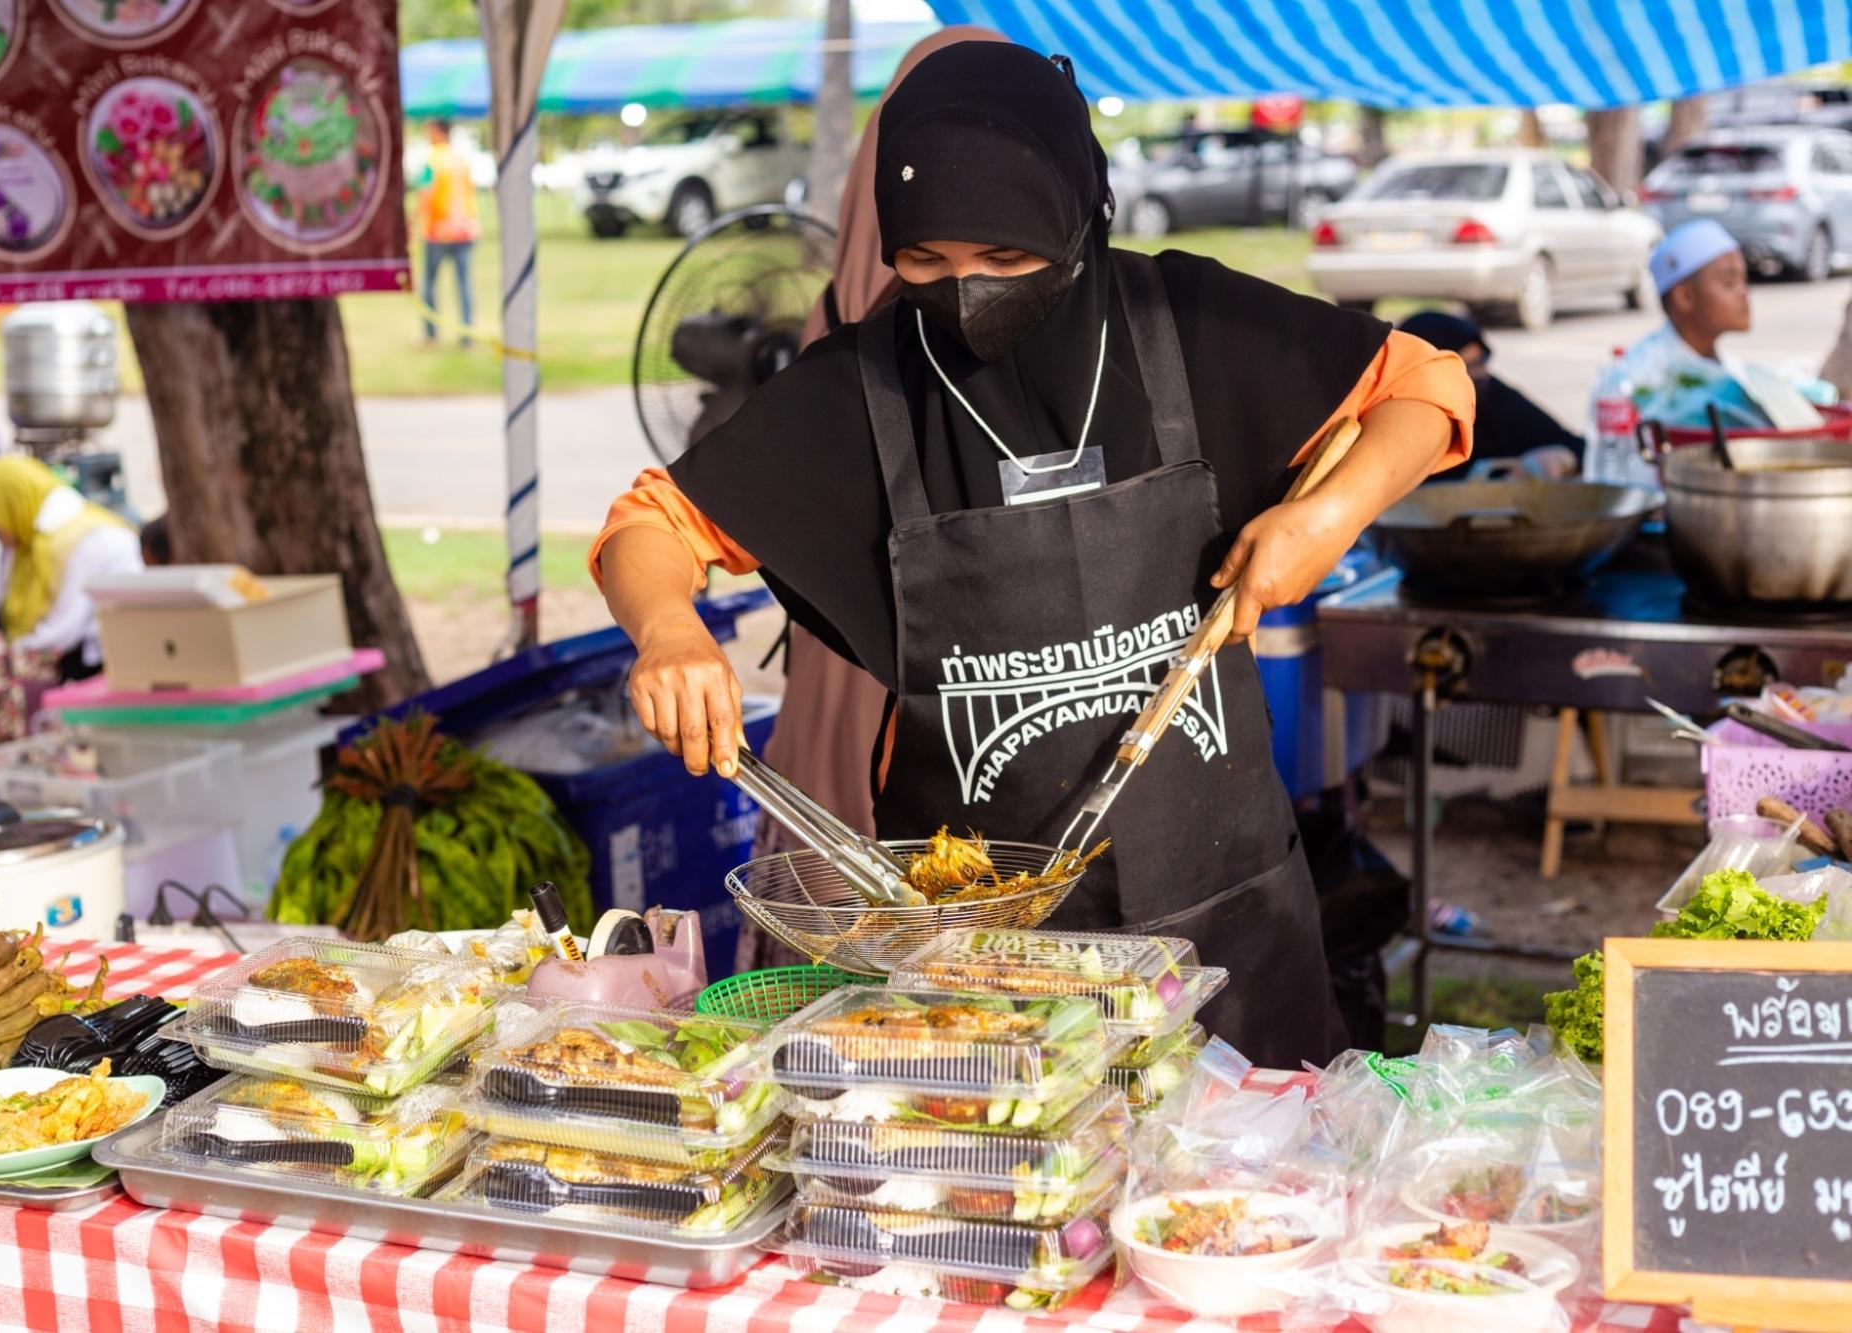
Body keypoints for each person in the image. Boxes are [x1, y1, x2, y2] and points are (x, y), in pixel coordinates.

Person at [590, 44, 1474, 1068]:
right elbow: (650, 522)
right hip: (978, 958)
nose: (965, 295)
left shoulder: (1182, 319)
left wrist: (1326, 517)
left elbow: (1425, 384)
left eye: (1005, 261)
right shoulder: (865, 386)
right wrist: (665, 630)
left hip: (1227, 918)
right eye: (925, 264)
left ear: (1076, 213)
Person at [737, 23, 1006, 973]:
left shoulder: (833, 316)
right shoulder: (964, 315)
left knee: (843, 921)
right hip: (930, 674)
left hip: (840, 664)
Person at [0, 455, 143, 682]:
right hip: (49, 655)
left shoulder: (84, 542)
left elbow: (61, 633)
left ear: (13, 507)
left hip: (95, 667)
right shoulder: (28, 537)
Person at [1620, 220, 1832, 430]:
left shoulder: (1727, 369)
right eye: (1729, 283)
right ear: (1684, 296)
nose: (1744, 292)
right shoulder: (1637, 380)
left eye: (1744, 280)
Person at [1398, 311, 1581, 478]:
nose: (1479, 374)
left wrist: (1557, 456)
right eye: (1464, 368)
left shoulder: (1491, 394)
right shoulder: (1398, 417)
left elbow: (1573, 444)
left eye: (1480, 362)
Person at [415, 118, 480, 347]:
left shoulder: (432, 161)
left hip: (439, 231)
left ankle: (431, 333)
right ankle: (467, 333)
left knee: (430, 284)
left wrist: (413, 222)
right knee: (464, 284)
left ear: (438, 132)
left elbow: (426, 195)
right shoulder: (461, 160)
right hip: (465, 230)